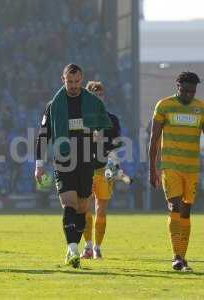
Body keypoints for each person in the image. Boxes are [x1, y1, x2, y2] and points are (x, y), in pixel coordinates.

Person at [35, 64, 111, 268]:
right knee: (69, 204)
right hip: (64, 160)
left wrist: (100, 136)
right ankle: (72, 249)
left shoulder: (93, 103)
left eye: (77, 82)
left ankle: (73, 248)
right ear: (63, 80)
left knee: (82, 208)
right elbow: (43, 135)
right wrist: (39, 164)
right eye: (70, 82)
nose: (74, 86)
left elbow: (105, 128)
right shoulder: (54, 105)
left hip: (86, 161)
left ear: (82, 79)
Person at [149, 72, 202, 272]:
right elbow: (154, 140)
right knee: (175, 206)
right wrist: (152, 169)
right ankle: (177, 257)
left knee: (186, 211)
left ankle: (182, 256)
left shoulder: (201, 109)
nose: (188, 94)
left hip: (192, 169)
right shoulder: (164, 105)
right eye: (185, 90)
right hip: (170, 168)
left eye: (192, 91)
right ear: (177, 86)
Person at [80, 81, 121, 259]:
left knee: (101, 209)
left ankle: (97, 246)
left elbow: (117, 143)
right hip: (85, 168)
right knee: (85, 208)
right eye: (94, 95)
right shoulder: (81, 118)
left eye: (100, 95)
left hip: (104, 168)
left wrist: (113, 161)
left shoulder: (112, 119)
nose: (98, 98)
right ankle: (88, 246)